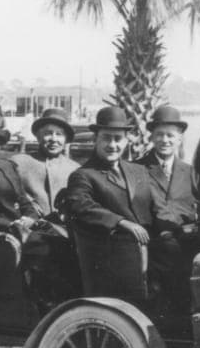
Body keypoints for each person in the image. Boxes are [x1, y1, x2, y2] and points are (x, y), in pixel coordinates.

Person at [59, 106, 158, 298]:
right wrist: (122, 222)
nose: (112, 145)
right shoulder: (84, 175)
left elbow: (155, 205)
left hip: (149, 258)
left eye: (118, 139)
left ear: (126, 141)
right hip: (112, 262)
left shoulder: (138, 171)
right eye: (106, 138)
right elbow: (81, 205)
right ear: (95, 139)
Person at [135, 105, 199, 312]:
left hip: (187, 245)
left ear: (179, 139)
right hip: (153, 246)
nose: (165, 140)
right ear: (152, 137)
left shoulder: (190, 172)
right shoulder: (137, 169)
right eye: (159, 135)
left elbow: (198, 206)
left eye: (170, 135)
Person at [9, 107, 80, 217]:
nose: (54, 139)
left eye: (59, 134)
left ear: (66, 139)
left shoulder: (75, 169)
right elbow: (6, 190)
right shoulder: (18, 163)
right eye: (48, 133)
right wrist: (27, 202)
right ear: (38, 136)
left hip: (64, 226)